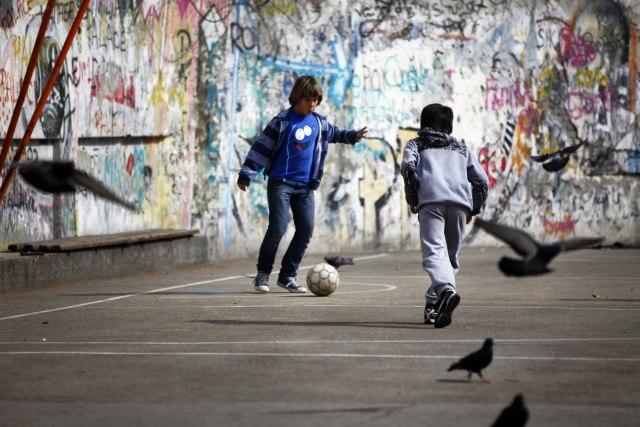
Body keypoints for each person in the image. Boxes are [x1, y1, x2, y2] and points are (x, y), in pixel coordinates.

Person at [237, 75, 367, 293]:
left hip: (306, 187)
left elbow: (335, 133)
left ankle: (287, 275)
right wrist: (246, 173)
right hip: (281, 184)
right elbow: (262, 147)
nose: (312, 104)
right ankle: (263, 274)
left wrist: (352, 135)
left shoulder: (319, 122)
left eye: (316, 100)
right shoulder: (282, 122)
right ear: (297, 98)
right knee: (277, 228)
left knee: (305, 229)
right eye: (308, 100)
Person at [400, 103, 488, 328]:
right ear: (449, 124)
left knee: (433, 253)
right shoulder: (461, 148)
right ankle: (434, 304)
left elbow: (408, 169)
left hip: (431, 203)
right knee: (448, 258)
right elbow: (481, 181)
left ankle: (446, 291)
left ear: (423, 122)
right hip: (459, 204)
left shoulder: (416, 144)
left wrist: (413, 199)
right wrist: (474, 207)